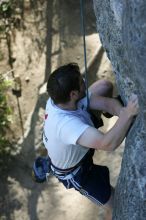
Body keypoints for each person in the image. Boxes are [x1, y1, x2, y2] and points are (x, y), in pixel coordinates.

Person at [43, 63, 139, 219]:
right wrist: (128, 114)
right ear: (73, 94)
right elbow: (108, 144)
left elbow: (107, 103)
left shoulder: (60, 99)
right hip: (77, 171)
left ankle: (95, 128)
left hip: (75, 136)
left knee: (104, 86)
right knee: (115, 207)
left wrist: (121, 112)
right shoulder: (66, 126)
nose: (85, 83)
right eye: (82, 83)